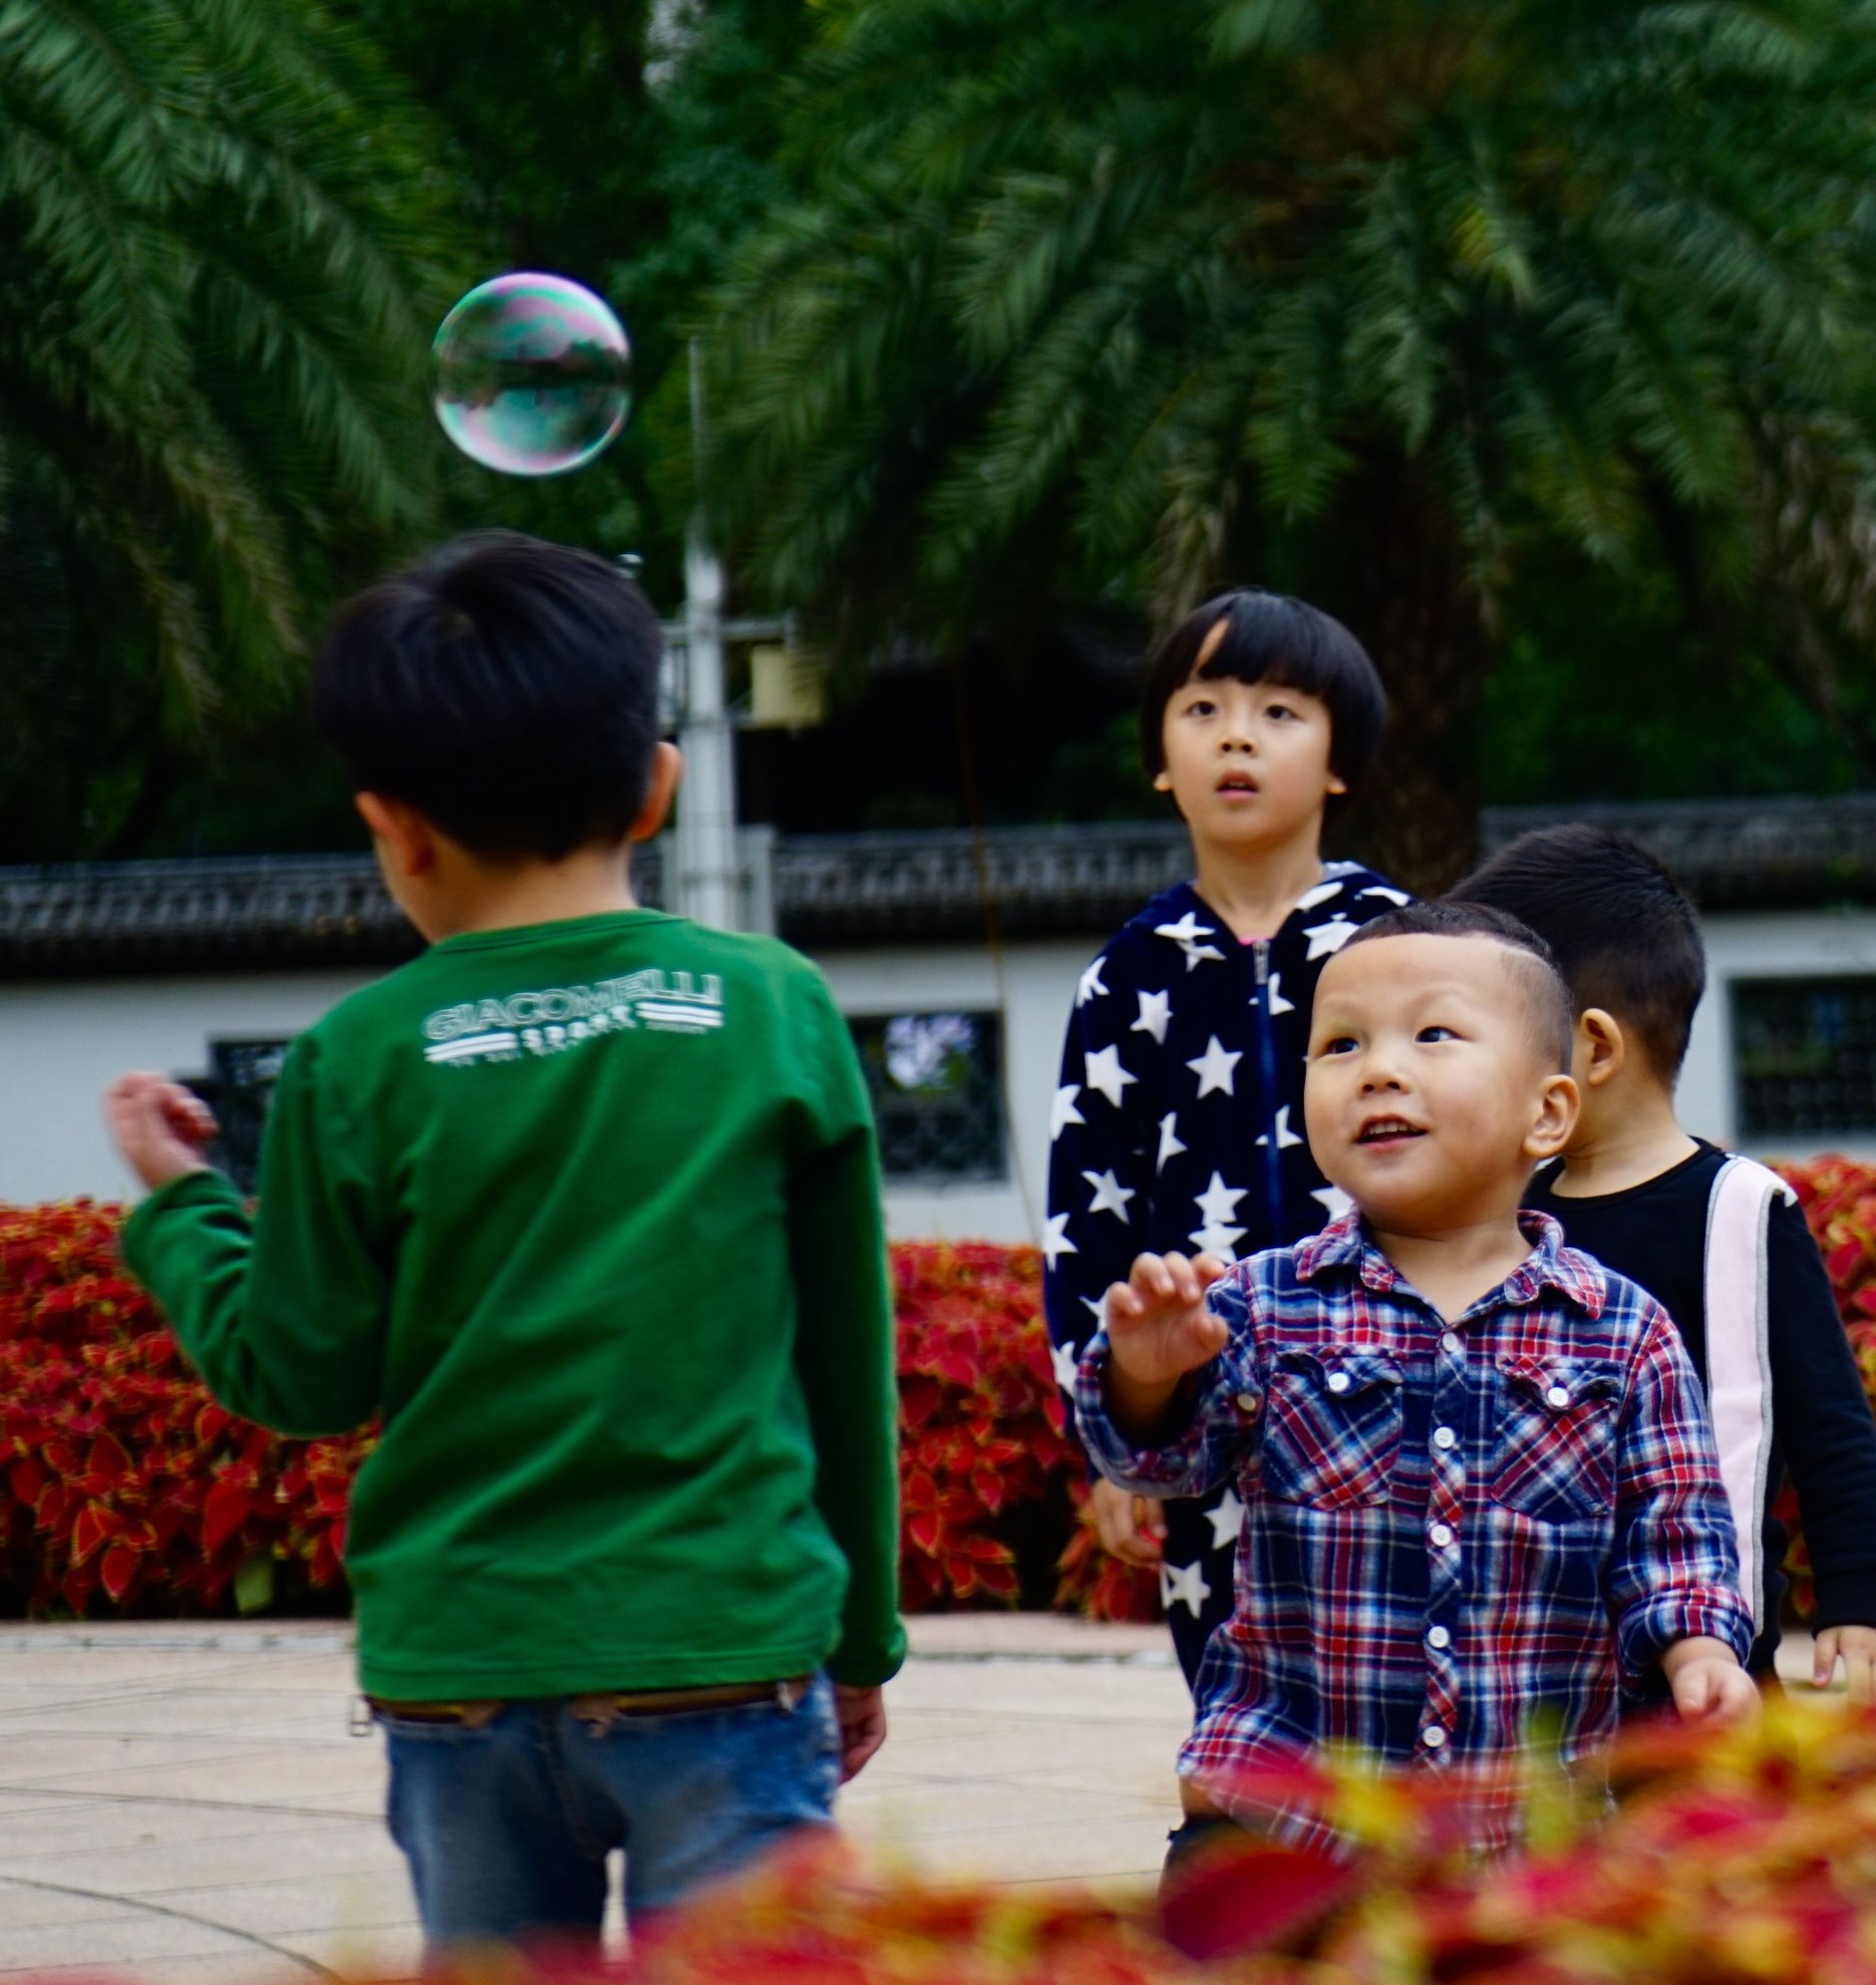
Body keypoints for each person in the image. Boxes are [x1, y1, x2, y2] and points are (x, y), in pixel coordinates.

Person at [103, 533, 905, 1953]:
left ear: (394, 826)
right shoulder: (771, 1008)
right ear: (656, 785)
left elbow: (295, 1370)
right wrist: (862, 1643)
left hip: (458, 1673)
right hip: (721, 1653)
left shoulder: (357, 1057)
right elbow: (849, 1363)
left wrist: (180, 1205)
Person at [1075, 901, 1757, 1868]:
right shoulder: (1262, 1304)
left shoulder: (1624, 1331)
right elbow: (1159, 1463)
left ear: (1547, 1112)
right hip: (1282, 1832)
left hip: (1528, 1841)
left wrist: (1702, 1653)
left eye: (1433, 1033)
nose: (1378, 1069)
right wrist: (1147, 1377)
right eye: (1340, 1043)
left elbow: (1675, 1535)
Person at [1450, 825, 1876, 1701]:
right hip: (1532, 1655)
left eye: (1476, 1033)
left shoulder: (1741, 1209)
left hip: (1708, 1654)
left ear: (1592, 1048)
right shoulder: (1507, 1214)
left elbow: (1828, 1420)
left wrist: (1864, 1598)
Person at [1044, 589, 1407, 1683]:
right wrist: (1111, 1431)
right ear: (1160, 757)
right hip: (1209, 1426)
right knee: (1239, 1709)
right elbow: (1087, 1224)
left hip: (1404, 1404)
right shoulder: (1126, 975)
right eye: (1202, 708)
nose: (1236, 736)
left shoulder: (1403, 945)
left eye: (1279, 711)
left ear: (1341, 760)